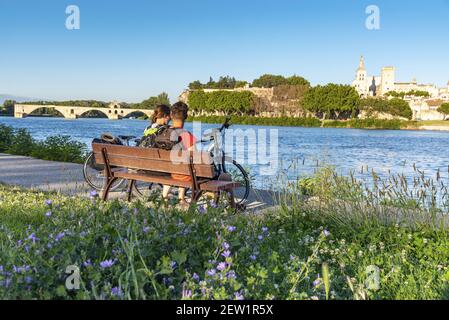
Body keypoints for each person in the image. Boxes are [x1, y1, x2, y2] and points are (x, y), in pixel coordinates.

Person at [162, 102, 197, 205]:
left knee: (175, 166)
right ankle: (181, 197)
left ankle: (165, 196)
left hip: (165, 171)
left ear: (171, 116)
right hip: (183, 174)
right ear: (186, 116)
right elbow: (194, 156)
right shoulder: (186, 135)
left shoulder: (163, 133)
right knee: (185, 167)